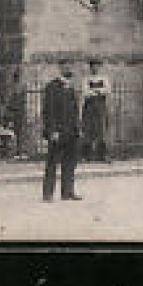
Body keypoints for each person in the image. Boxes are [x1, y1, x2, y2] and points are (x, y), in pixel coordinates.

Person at [41, 61, 82, 202]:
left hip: (71, 131)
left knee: (70, 162)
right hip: (57, 132)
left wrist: (77, 128)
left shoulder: (71, 87)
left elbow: (75, 111)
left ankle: (67, 191)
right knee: (52, 162)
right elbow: (49, 111)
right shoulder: (52, 87)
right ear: (60, 68)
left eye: (70, 66)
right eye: (66, 66)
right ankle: (47, 194)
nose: (69, 68)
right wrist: (52, 130)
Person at [81, 58, 111, 163]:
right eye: (93, 66)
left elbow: (107, 90)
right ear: (90, 67)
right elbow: (85, 92)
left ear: (99, 67)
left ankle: (103, 155)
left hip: (100, 107)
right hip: (89, 107)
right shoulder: (86, 79)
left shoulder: (104, 79)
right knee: (88, 130)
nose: (95, 68)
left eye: (97, 66)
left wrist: (95, 91)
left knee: (101, 130)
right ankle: (86, 156)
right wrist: (98, 91)